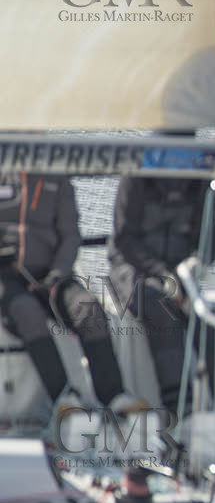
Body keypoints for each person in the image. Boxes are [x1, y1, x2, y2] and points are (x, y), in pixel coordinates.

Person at [0, 173, 145, 419]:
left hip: (52, 277)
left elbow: (70, 235)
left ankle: (114, 395)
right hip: (7, 280)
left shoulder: (57, 179)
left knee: (88, 308)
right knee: (27, 310)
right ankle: (65, 398)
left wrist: (57, 274)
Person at [109, 175, 212, 414]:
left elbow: (208, 244)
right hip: (131, 268)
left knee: (207, 318)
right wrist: (163, 274)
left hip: (179, 271)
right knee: (161, 308)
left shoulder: (199, 183)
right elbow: (124, 239)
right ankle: (179, 405)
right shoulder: (135, 179)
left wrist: (195, 262)